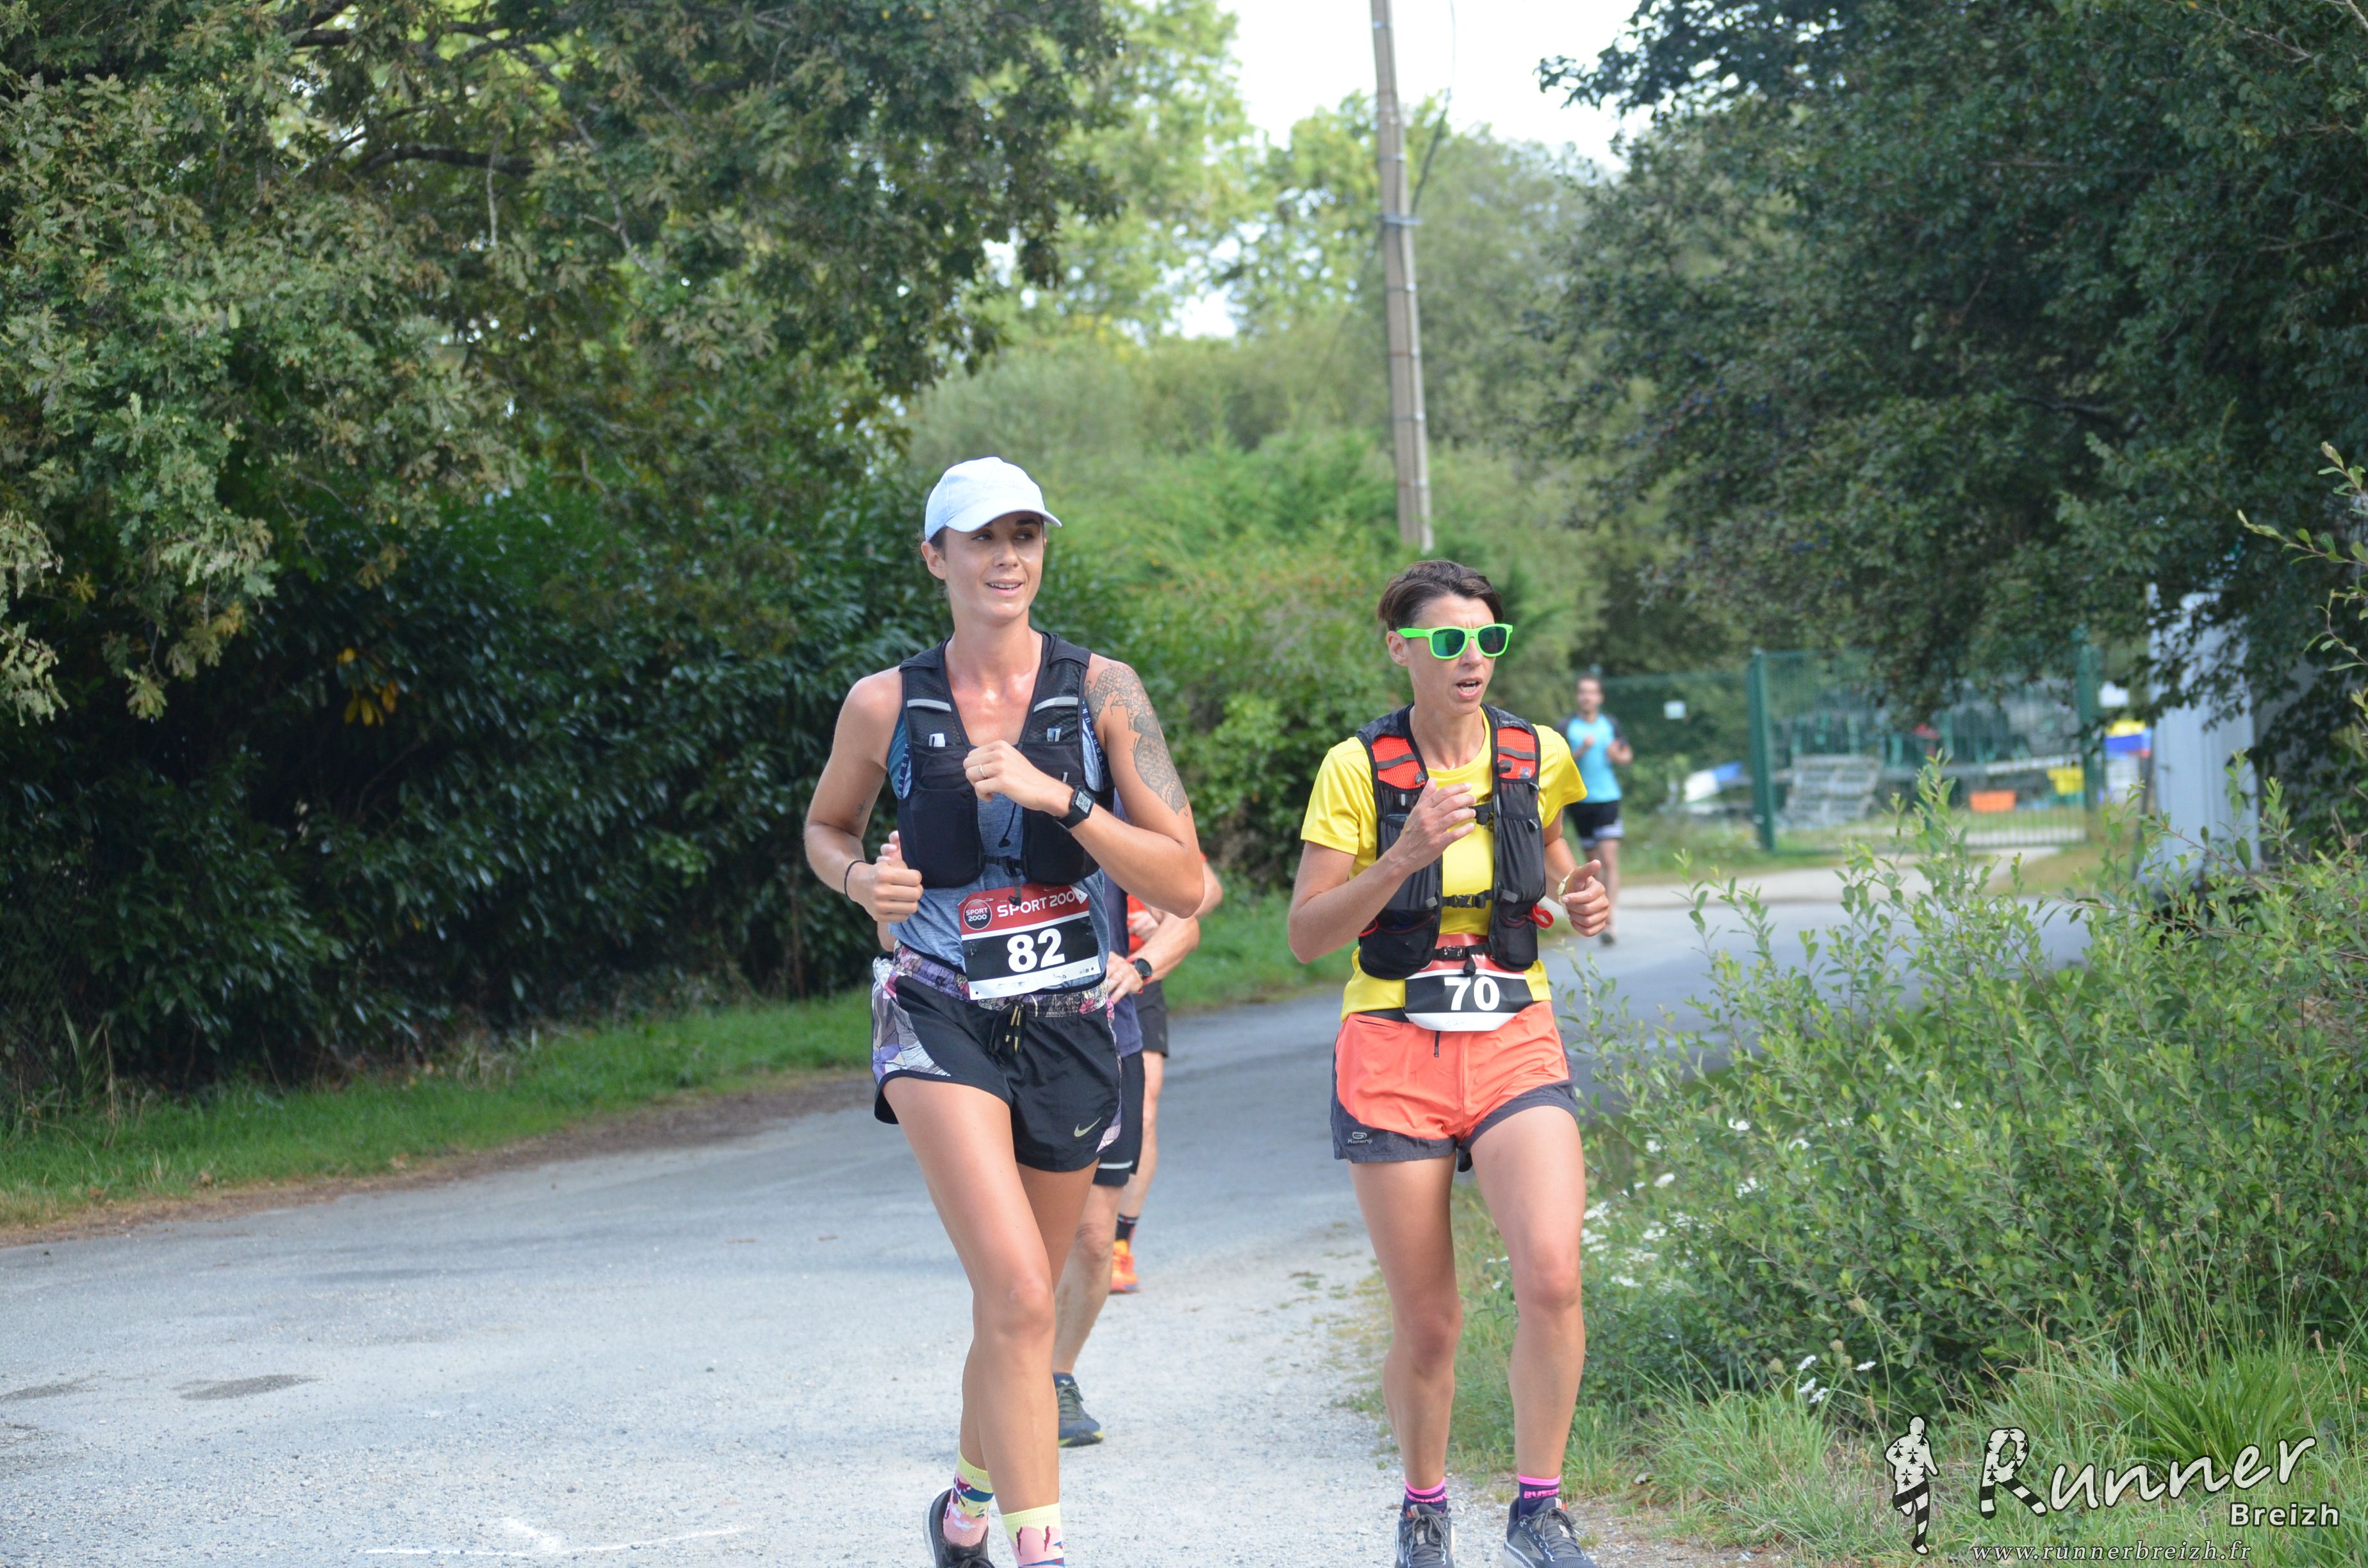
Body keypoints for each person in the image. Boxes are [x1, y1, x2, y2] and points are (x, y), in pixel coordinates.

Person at [802, 457, 1203, 1568]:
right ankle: (1041, 1551)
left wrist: (1060, 797)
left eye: (1025, 535)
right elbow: (827, 828)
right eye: (982, 537)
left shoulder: (1106, 692)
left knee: (1016, 1307)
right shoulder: (885, 702)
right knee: (1024, 1291)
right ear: (935, 557)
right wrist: (860, 882)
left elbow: (1184, 880)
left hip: (1069, 1019)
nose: (1007, 557)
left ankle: (966, 1510)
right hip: (937, 1010)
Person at [1288, 560, 1612, 1568]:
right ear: (1401, 648)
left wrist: (1580, 901)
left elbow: (1552, 874)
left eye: (1488, 639)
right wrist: (1402, 856)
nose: (1472, 658)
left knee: (1552, 1274)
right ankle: (1424, 1511)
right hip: (1393, 1045)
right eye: (1448, 640)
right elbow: (1306, 934)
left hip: (1514, 1032)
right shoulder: (1357, 768)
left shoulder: (1535, 751)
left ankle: (1539, 1513)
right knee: (1430, 1324)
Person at [1048, 860, 1222, 1448]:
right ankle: (1007, 1387)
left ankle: (1058, 1376)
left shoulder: (1122, 811)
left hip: (1113, 1019)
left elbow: (1197, 898)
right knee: (1025, 1238)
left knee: (1094, 1239)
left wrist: (1147, 950)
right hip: (1010, 1031)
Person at [1561, 675, 1631, 946]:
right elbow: (1559, 763)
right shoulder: (1567, 727)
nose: (1586, 697)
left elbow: (1626, 755)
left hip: (1608, 799)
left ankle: (1610, 920)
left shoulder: (1610, 724)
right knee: (1594, 864)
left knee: (1608, 859)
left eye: (1592, 692)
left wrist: (1617, 756)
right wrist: (1581, 750)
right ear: (1577, 696)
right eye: (1582, 692)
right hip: (1580, 802)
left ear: (1600, 697)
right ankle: (1603, 913)